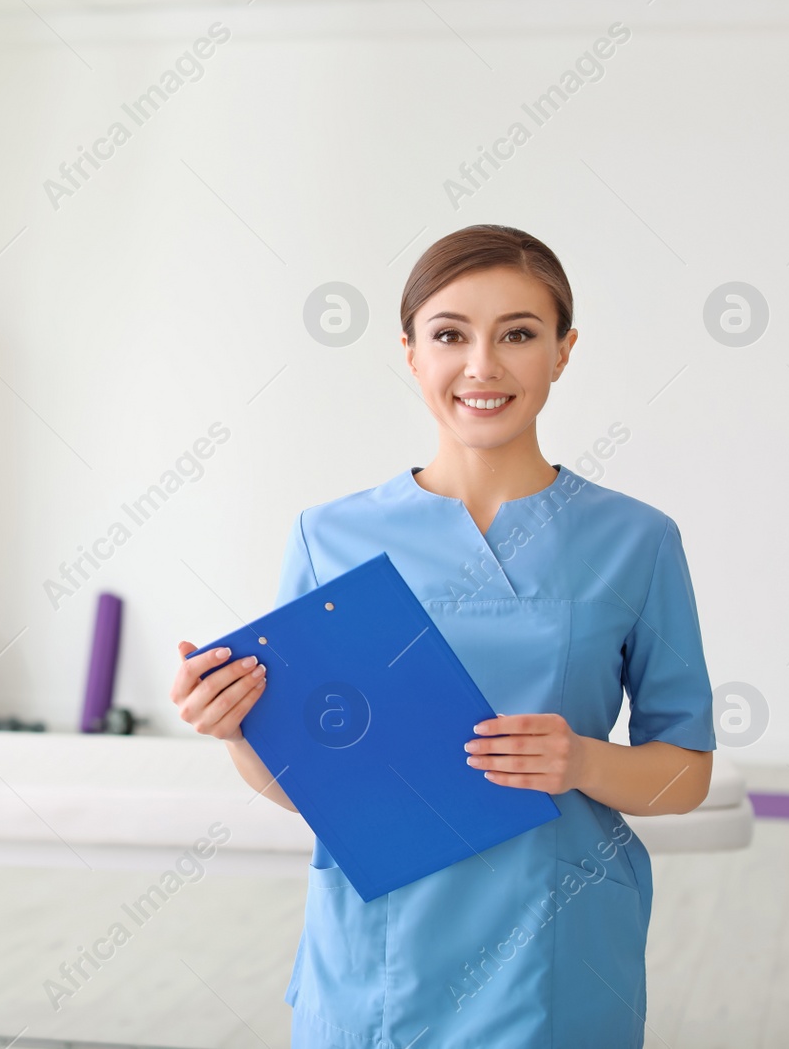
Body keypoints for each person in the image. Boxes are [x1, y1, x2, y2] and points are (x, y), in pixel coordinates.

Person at [168, 224, 717, 1048]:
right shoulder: (330, 536)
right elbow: (309, 788)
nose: (483, 366)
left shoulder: (636, 541)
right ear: (411, 352)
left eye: (519, 334)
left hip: (557, 960)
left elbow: (686, 775)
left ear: (564, 351)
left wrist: (583, 760)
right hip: (377, 962)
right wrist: (235, 728)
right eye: (451, 334)